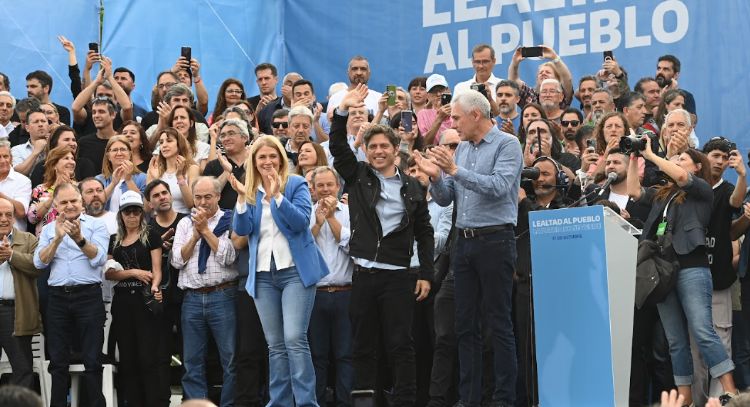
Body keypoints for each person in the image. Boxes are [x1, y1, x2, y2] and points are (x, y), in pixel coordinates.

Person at [413, 89, 523, 406]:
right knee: (464, 326)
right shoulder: (460, 150)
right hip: (463, 243)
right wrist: (435, 178)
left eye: (457, 118)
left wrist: (453, 170)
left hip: (496, 241)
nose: (454, 124)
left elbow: (499, 187)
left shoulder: (508, 144)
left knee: (499, 323)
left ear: (476, 115)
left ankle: (503, 399)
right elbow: (449, 197)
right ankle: (468, 399)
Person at [626, 110, 739, 406]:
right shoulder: (663, 194)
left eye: (683, 160)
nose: (676, 163)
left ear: (696, 168)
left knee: (703, 332)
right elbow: (635, 190)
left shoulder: (701, 190)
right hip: (663, 271)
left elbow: (680, 176)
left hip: (691, 267)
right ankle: (685, 394)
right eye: (675, 160)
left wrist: (654, 156)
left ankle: (730, 388)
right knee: (676, 341)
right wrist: (634, 157)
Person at [332, 84, 434, 405]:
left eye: (383, 146)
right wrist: (341, 112)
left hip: (399, 278)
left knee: (401, 346)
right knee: (363, 346)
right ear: (366, 150)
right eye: (372, 146)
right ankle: (366, 401)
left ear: (394, 148)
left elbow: (425, 232)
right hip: (364, 275)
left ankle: (404, 402)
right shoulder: (357, 175)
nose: (378, 151)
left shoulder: (412, 186)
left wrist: (426, 274)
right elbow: (337, 147)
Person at [231, 135, 329, 407]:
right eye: (261, 157)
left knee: (294, 338)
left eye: (272, 156)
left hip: (295, 272)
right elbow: (242, 231)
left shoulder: (295, 184)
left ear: (281, 158)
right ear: (254, 162)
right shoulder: (250, 190)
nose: (267, 161)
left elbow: (300, 223)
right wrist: (241, 200)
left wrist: (276, 196)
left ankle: (307, 402)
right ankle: (280, 403)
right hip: (263, 275)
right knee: (275, 345)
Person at [32, 182, 110, 407]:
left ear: (81, 200)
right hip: (57, 298)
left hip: (88, 296)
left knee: (93, 360)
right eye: (63, 202)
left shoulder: (96, 225)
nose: (69, 206)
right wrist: (57, 239)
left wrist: (79, 239)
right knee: (57, 362)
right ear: (55, 205)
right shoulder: (48, 230)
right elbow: (39, 262)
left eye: (73, 200)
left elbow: (99, 259)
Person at [171, 177, 238, 407]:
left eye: (207, 197)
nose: (202, 202)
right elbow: (177, 260)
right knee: (191, 362)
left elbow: (230, 257)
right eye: (198, 197)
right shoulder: (184, 224)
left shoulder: (230, 219)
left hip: (223, 295)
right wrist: (195, 235)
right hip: (191, 298)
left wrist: (206, 231)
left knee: (230, 360)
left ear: (218, 196)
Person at [689, 137, 747, 405]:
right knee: (695, 351)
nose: (720, 161)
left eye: (725, 157)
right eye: (715, 155)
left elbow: (736, 201)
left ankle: (719, 402)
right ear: (704, 157)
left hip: (720, 281)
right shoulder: (692, 187)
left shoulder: (727, 190)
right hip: (690, 279)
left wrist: (742, 174)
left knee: (721, 344)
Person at [104, 190, 165, 406]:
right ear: (120, 214)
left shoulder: (151, 235)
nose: (132, 216)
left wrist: (155, 286)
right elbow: (109, 273)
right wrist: (133, 273)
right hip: (122, 302)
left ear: (141, 213)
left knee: (148, 358)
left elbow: (157, 270)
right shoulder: (114, 240)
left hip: (144, 301)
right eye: (127, 211)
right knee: (128, 360)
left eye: (136, 211)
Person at [308, 166, 354, 407]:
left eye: (330, 185)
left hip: (345, 293)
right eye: (320, 186)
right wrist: (317, 222)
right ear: (313, 190)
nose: (325, 189)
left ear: (338, 187)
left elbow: (352, 247)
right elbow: (303, 248)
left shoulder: (349, 213)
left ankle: (345, 403)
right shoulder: (306, 213)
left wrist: (331, 218)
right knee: (317, 356)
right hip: (315, 295)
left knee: (346, 355)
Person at [145, 180, 187, 406]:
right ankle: (162, 401)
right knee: (160, 354)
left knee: (187, 351)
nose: (162, 197)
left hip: (184, 295)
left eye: (164, 193)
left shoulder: (185, 221)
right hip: (158, 297)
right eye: (156, 195)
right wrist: (156, 248)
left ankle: (191, 400)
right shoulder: (147, 229)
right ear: (150, 203)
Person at [0, 197, 40, 390]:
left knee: (22, 367)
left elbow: (37, 267)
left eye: (9, 214)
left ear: (15, 218)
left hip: (15, 311)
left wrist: (12, 256)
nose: (4, 219)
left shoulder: (28, 239)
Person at [146, 128, 200, 214]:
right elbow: (147, 208)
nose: (164, 145)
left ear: (179, 144)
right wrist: (155, 180)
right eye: (161, 142)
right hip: (159, 221)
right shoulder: (153, 170)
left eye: (169, 141)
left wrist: (179, 176)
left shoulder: (192, 169)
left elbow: (190, 204)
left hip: (183, 221)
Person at [27, 147, 77, 236]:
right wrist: (54, 193)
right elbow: (32, 218)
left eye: (72, 159)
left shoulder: (80, 188)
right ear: (54, 164)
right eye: (66, 158)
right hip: (46, 242)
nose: (71, 162)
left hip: (73, 240)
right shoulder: (40, 189)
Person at [202, 119, 251, 210]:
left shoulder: (256, 163)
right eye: (223, 135)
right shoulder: (213, 165)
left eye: (231, 133)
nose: (226, 138)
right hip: (222, 220)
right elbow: (206, 196)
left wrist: (250, 166)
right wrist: (226, 172)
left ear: (244, 137)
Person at [28, 125, 97, 188]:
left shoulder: (85, 164)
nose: (72, 143)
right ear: (54, 144)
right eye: (66, 140)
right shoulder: (42, 167)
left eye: (74, 140)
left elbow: (91, 190)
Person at [507, 45, 573, 109]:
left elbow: (567, 79)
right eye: (540, 73)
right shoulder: (531, 95)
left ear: (557, 78)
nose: (543, 73)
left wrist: (555, 58)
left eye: (548, 72)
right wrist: (515, 62)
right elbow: (513, 83)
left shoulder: (560, 93)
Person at [96, 135, 147, 212]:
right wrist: (113, 184)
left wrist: (129, 180)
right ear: (108, 156)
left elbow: (145, 207)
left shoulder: (143, 178)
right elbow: (96, 205)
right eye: (115, 150)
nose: (119, 153)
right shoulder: (99, 180)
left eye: (123, 149)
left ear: (130, 154)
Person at [326, 56, 382, 120]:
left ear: (369, 73)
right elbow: (330, 126)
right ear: (348, 72)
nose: (359, 73)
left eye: (363, 69)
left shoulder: (378, 98)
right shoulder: (335, 98)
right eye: (354, 69)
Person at [77, 97, 118, 174]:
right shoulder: (83, 143)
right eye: (94, 112)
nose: (96, 115)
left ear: (112, 114)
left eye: (101, 112)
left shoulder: (122, 141)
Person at [0, 142, 31, 231]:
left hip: (14, 239)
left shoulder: (23, 181)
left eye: (5, 156)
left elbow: (21, 212)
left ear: (11, 159)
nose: (3, 161)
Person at [418, 74, 453, 145]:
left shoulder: (458, 109)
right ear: (428, 95)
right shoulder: (422, 114)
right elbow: (424, 143)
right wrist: (439, 119)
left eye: (441, 89)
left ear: (448, 90)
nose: (438, 94)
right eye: (434, 91)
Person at [11, 109, 48, 177]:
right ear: (27, 128)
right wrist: (36, 152)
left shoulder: (56, 146)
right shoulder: (17, 150)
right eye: (36, 122)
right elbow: (17, 174)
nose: (40, 124)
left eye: (43, 121)